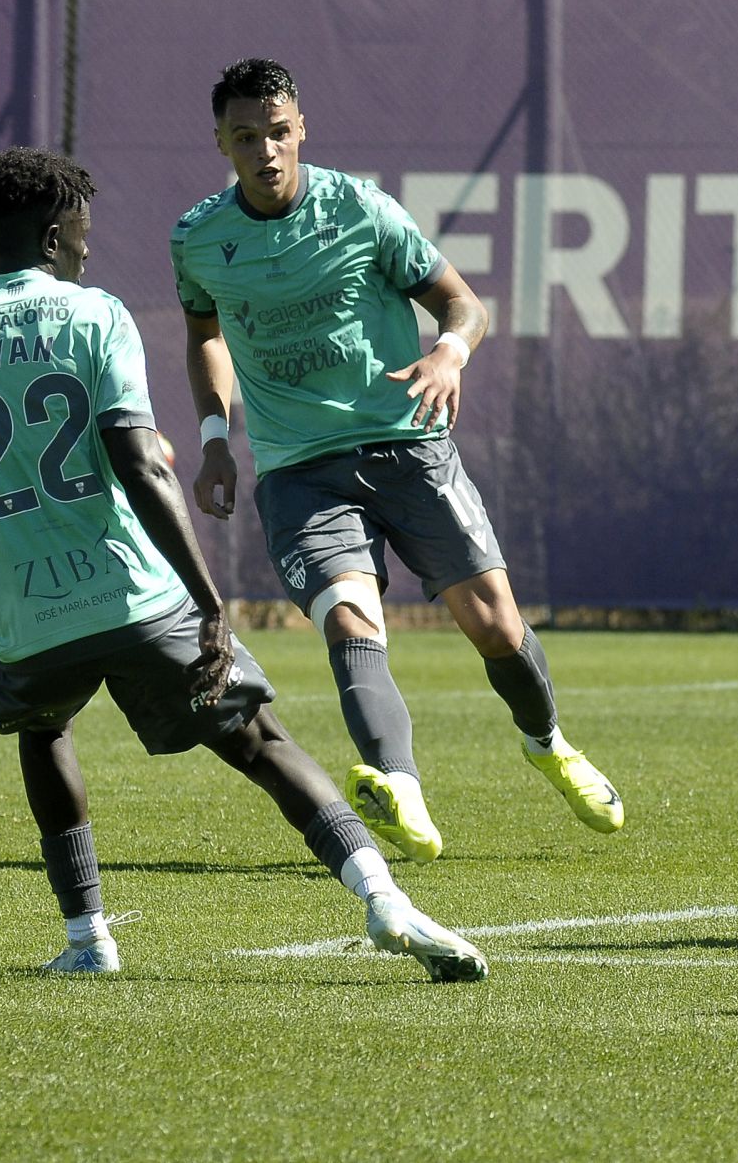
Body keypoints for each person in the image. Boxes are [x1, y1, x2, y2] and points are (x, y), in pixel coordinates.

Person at [0, 146, 486, 982]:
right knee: (258, 741)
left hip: (17, 623)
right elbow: (141, 463)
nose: (88, 248)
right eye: (83, 234)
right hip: (136, 598)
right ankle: (385, 900)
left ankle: (87, 937)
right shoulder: (94, 315)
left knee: (43, 730)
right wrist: (209, 601)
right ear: (54, 234)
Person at [170, 57, 622, 864]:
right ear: (220, 143)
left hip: (408, 444)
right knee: (351, 619)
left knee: (496, 626)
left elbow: (463, 304)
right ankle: (400, 789)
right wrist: (213, 439)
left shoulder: (361, 208)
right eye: (246, 137)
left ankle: (548, 743)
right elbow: (204, 334)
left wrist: (450, 353)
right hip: (299, 472)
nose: (265, 150)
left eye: (278, 132)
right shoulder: (198, 239)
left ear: (301, 129)